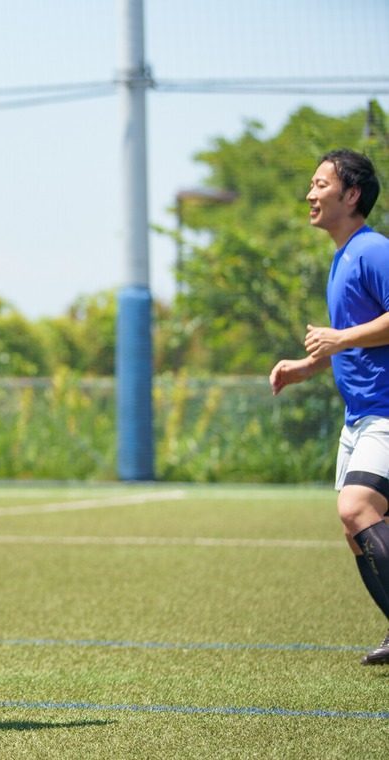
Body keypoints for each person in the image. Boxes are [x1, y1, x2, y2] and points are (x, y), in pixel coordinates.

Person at [269, 149, 389, 666]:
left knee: (356, 509)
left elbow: (352, 335)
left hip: (385, 412)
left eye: (321, 184)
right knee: (355, 530)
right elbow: (352, 342)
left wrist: (337, 339)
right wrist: (305, 366)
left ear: (352, 194)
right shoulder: (342, 257)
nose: (310, 194)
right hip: (358, 417)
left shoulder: (373, 250)